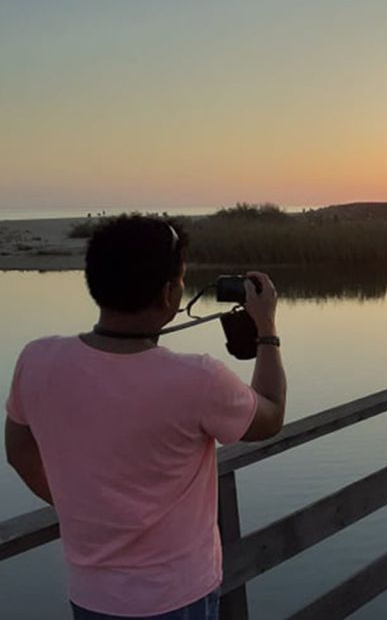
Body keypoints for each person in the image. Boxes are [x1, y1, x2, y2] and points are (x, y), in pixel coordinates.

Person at [4, 215, 287, 619]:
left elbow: (18, 450)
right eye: (182, 278)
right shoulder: (199, 379)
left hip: (91, 596)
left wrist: (76, 505)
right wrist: (267, 331)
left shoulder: (37, 360)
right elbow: (271, 415)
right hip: (177, 596)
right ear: (169, 292)